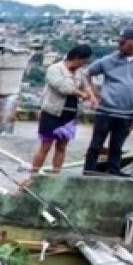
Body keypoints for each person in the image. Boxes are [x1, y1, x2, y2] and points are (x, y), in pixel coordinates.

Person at [83, 25, 133, 176]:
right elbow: (87, 73)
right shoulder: (110, 59)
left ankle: (114, 172)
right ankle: (88, 172)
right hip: (106, 110)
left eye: (122, 43)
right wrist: (94, 92)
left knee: (117, 146)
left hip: (127, 112)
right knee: (96, 144)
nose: (119, 46)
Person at [29, 44, 93, 175]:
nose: (83, 64)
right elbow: (62, 87)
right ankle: (33, 174)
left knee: (61, 147)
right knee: (45, 146)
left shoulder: (79, 73)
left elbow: (86, 85)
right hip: (52, 112)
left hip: (69, 114)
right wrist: (80, 93)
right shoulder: (55, 69)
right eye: (83, 61)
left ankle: (55, 174)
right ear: (76, 58)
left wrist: (90, 95)